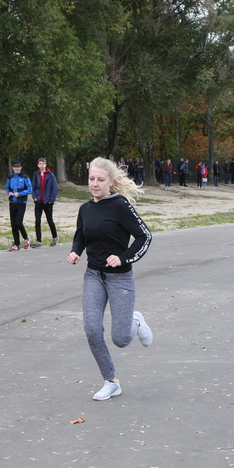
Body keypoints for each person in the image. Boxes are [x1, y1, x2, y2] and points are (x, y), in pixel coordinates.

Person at [67, 157, 154, 401]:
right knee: (92, 330)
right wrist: (76, 251)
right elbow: (80, 236)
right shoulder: (85, 209)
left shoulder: (120, 206)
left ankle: (135, 321)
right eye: (91, 179)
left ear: (111, 182)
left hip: (119, 279)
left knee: (121, 339)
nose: (95, 184)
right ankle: (111, 381)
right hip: (93, 275)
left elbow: (144, 237)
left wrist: (124, 258)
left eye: (100, 180)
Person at [30, 158, 59, 247]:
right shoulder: (36, 175)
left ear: (45, 165)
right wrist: (35, 198)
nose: (41, 165)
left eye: (43, 163)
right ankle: (38, 240)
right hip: (39, 201)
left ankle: (55, 237)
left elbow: (55, 188)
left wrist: (51, 200)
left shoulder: (50, 175)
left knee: (49, 220)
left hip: (47, 202)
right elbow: (33, 187)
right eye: (40, 163)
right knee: (37, 221)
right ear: (38, 165)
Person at [5, 161, 33, 251]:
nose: (16, 168)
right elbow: (7, 187)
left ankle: (26, 238)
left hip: (21, 203)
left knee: (18, 223)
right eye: (15, 167)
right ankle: (16, 244)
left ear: (21, 168)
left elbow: (30, 189)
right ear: (12, 168)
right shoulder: (10, 177)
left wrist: (20, 194)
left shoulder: (25, 177)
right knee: (13, 224)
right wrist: (8, 192)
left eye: (18, 167)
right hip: (12, 203)